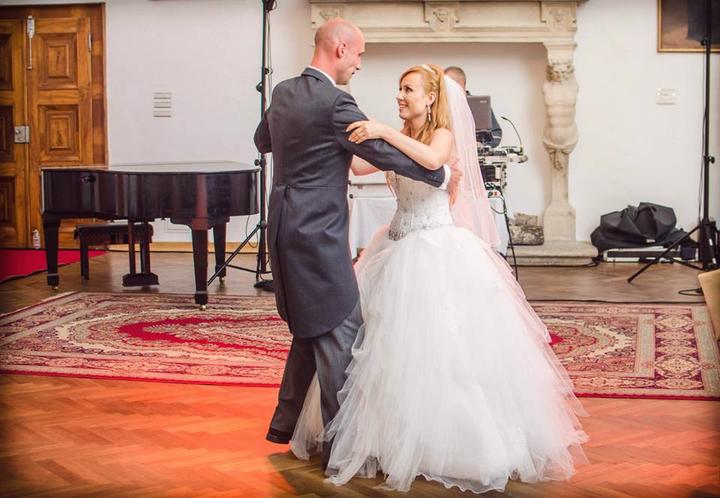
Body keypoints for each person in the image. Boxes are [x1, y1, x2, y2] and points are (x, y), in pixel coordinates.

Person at [289, 64, 588, 494]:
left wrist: (381, 131)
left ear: (430, 98)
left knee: (440, 349)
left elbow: (431, 160)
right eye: (399, 88)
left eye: (408, 89)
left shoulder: (442, 135)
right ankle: (383, 439)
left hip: (434, 250)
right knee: (378, 350)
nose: (400, 95)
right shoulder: (397, 133)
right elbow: (356, 167)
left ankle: (449, 444)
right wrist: (323, 137)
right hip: (393, 247)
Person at [253, 20, 460, 470]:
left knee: (309, 325)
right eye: (359, 54)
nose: (360, 64)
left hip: (283, 227)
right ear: (341, 49)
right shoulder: (336, 102)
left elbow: (263, 141)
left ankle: (285, 425)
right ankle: (345, 449)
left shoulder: (283, 92)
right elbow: (379, 154)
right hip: (318, 234)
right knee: (341, 330)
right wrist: (438, 174)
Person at [444, 65, 503, 147]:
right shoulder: (441, 106)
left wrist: (482, 145)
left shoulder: (481, 106)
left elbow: (496, 134)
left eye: (446, 85)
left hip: (476, 153)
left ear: (459, 84)